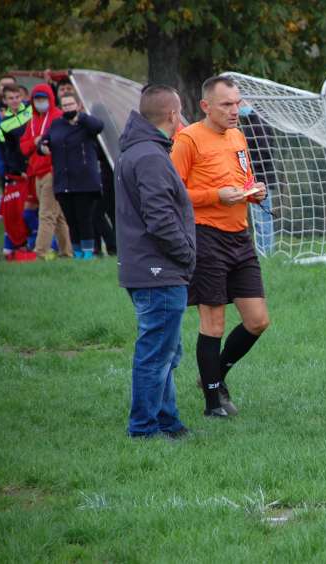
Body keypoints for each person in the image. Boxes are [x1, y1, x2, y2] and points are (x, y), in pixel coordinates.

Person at [171, 75, 270, 418]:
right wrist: (214, 196)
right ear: (205, 106)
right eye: (226, 104)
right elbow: (172, 192)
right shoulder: (188, 140)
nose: (234, 110)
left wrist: (254, 191)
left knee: (257, 320)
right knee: (213, 323)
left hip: (240, 236)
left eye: (237, 102)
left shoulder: (238, 136)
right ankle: (213, 405)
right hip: (206, 237)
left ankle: (214, 376)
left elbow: (243, 178)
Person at [115, 84, 195, 438]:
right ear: (172, 115)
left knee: (167, 352)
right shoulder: (149, 156)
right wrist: (187, 254)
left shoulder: (137, 150)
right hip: (157, 270)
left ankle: (168, 422)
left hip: (148, 269)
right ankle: (144, 429)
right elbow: (160, 219)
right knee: (156, 355)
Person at [41, 92, 104, 259]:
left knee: (85, 218)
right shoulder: (56, 125)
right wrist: (43, 146)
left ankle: (88, 253)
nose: (68, 108)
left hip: (85, 181)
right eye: (65, 105)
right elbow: (45, 141)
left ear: (78, 105)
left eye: (71, 104)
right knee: (71, 220)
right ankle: (76, 253)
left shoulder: (86, 124)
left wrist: (81, 117)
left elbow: (98, 126)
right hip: (63, 180)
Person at [19, 83, 72, 259]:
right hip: (37, 172)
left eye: (43, 98)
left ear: (50, 98)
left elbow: (59, 143)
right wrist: (35, 141)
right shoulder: (33, 120)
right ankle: (66, 252)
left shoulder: (57, 117)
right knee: (58, 217)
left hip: (52, 171)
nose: (40, 102)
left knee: (46, 214)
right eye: (37, 99)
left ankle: (39, 253)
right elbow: (24, 146)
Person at [0, 85, 36, 261]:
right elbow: (8, 151)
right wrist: (18, 170)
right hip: (22, 172)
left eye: (17, 97)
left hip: (39, 163)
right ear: (4, 101)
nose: (14, 100)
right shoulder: (4, 124)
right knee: (25, 209)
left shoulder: (31, 110)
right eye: (10, 98)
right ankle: (24, 244)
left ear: (22, 97)